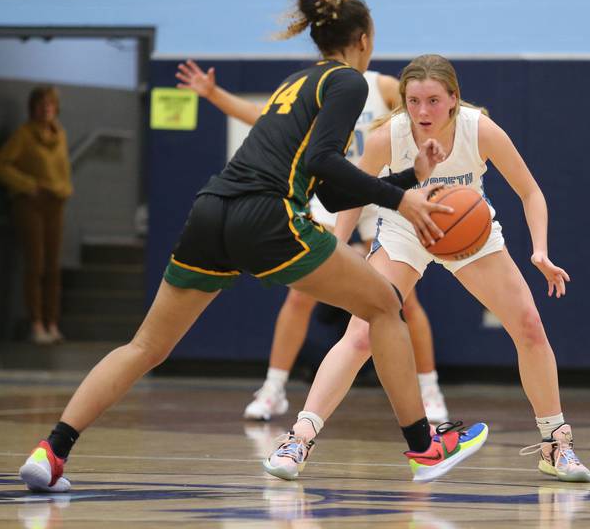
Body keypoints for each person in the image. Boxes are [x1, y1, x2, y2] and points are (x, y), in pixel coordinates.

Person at [17, 0, 488, 493]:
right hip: (266, 215)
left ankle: (52, 451)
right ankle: (424, 447)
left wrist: (406, 179)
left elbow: (329, 192)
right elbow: (323, 161)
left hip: (212, 211)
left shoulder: (296, 82)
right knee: (383, 306)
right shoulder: (350, 82)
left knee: (146, 345)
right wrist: (401, 198)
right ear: (365, 39)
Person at [264, 54, 590, 483]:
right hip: (404, 230)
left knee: (529, 325)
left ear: (454, 99)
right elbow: (350, 195)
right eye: (414, 100)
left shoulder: (481, 130)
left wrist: (540, 251)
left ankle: (556, 444)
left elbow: (531, 192)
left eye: (434, 100)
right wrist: (337, 249)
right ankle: (298, 439)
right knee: (361, 333)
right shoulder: (389, 136)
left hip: (467, 231)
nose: (423, 111)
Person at [175, 61, 450, 423]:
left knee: (403, 299)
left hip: (381, 188)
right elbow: (261, 115)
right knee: (300, 294)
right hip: (330, 193)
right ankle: (273, 389)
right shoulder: (316, 87)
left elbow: (425, 106)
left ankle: (429, 390)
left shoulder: (379, 86)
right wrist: (213, 94)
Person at [0, 86, 72, 345]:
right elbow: (0, 165)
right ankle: (36, 324)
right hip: (31, 204)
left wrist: (65, 189)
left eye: (50, 103)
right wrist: (28, 185)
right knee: (36, 265)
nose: (46, 108)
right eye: (41, 104)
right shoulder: (24, 135)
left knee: (53, 267)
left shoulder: (60, 135)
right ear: (33, 107)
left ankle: (52, 323)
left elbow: (63, 170)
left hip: (56, 203)